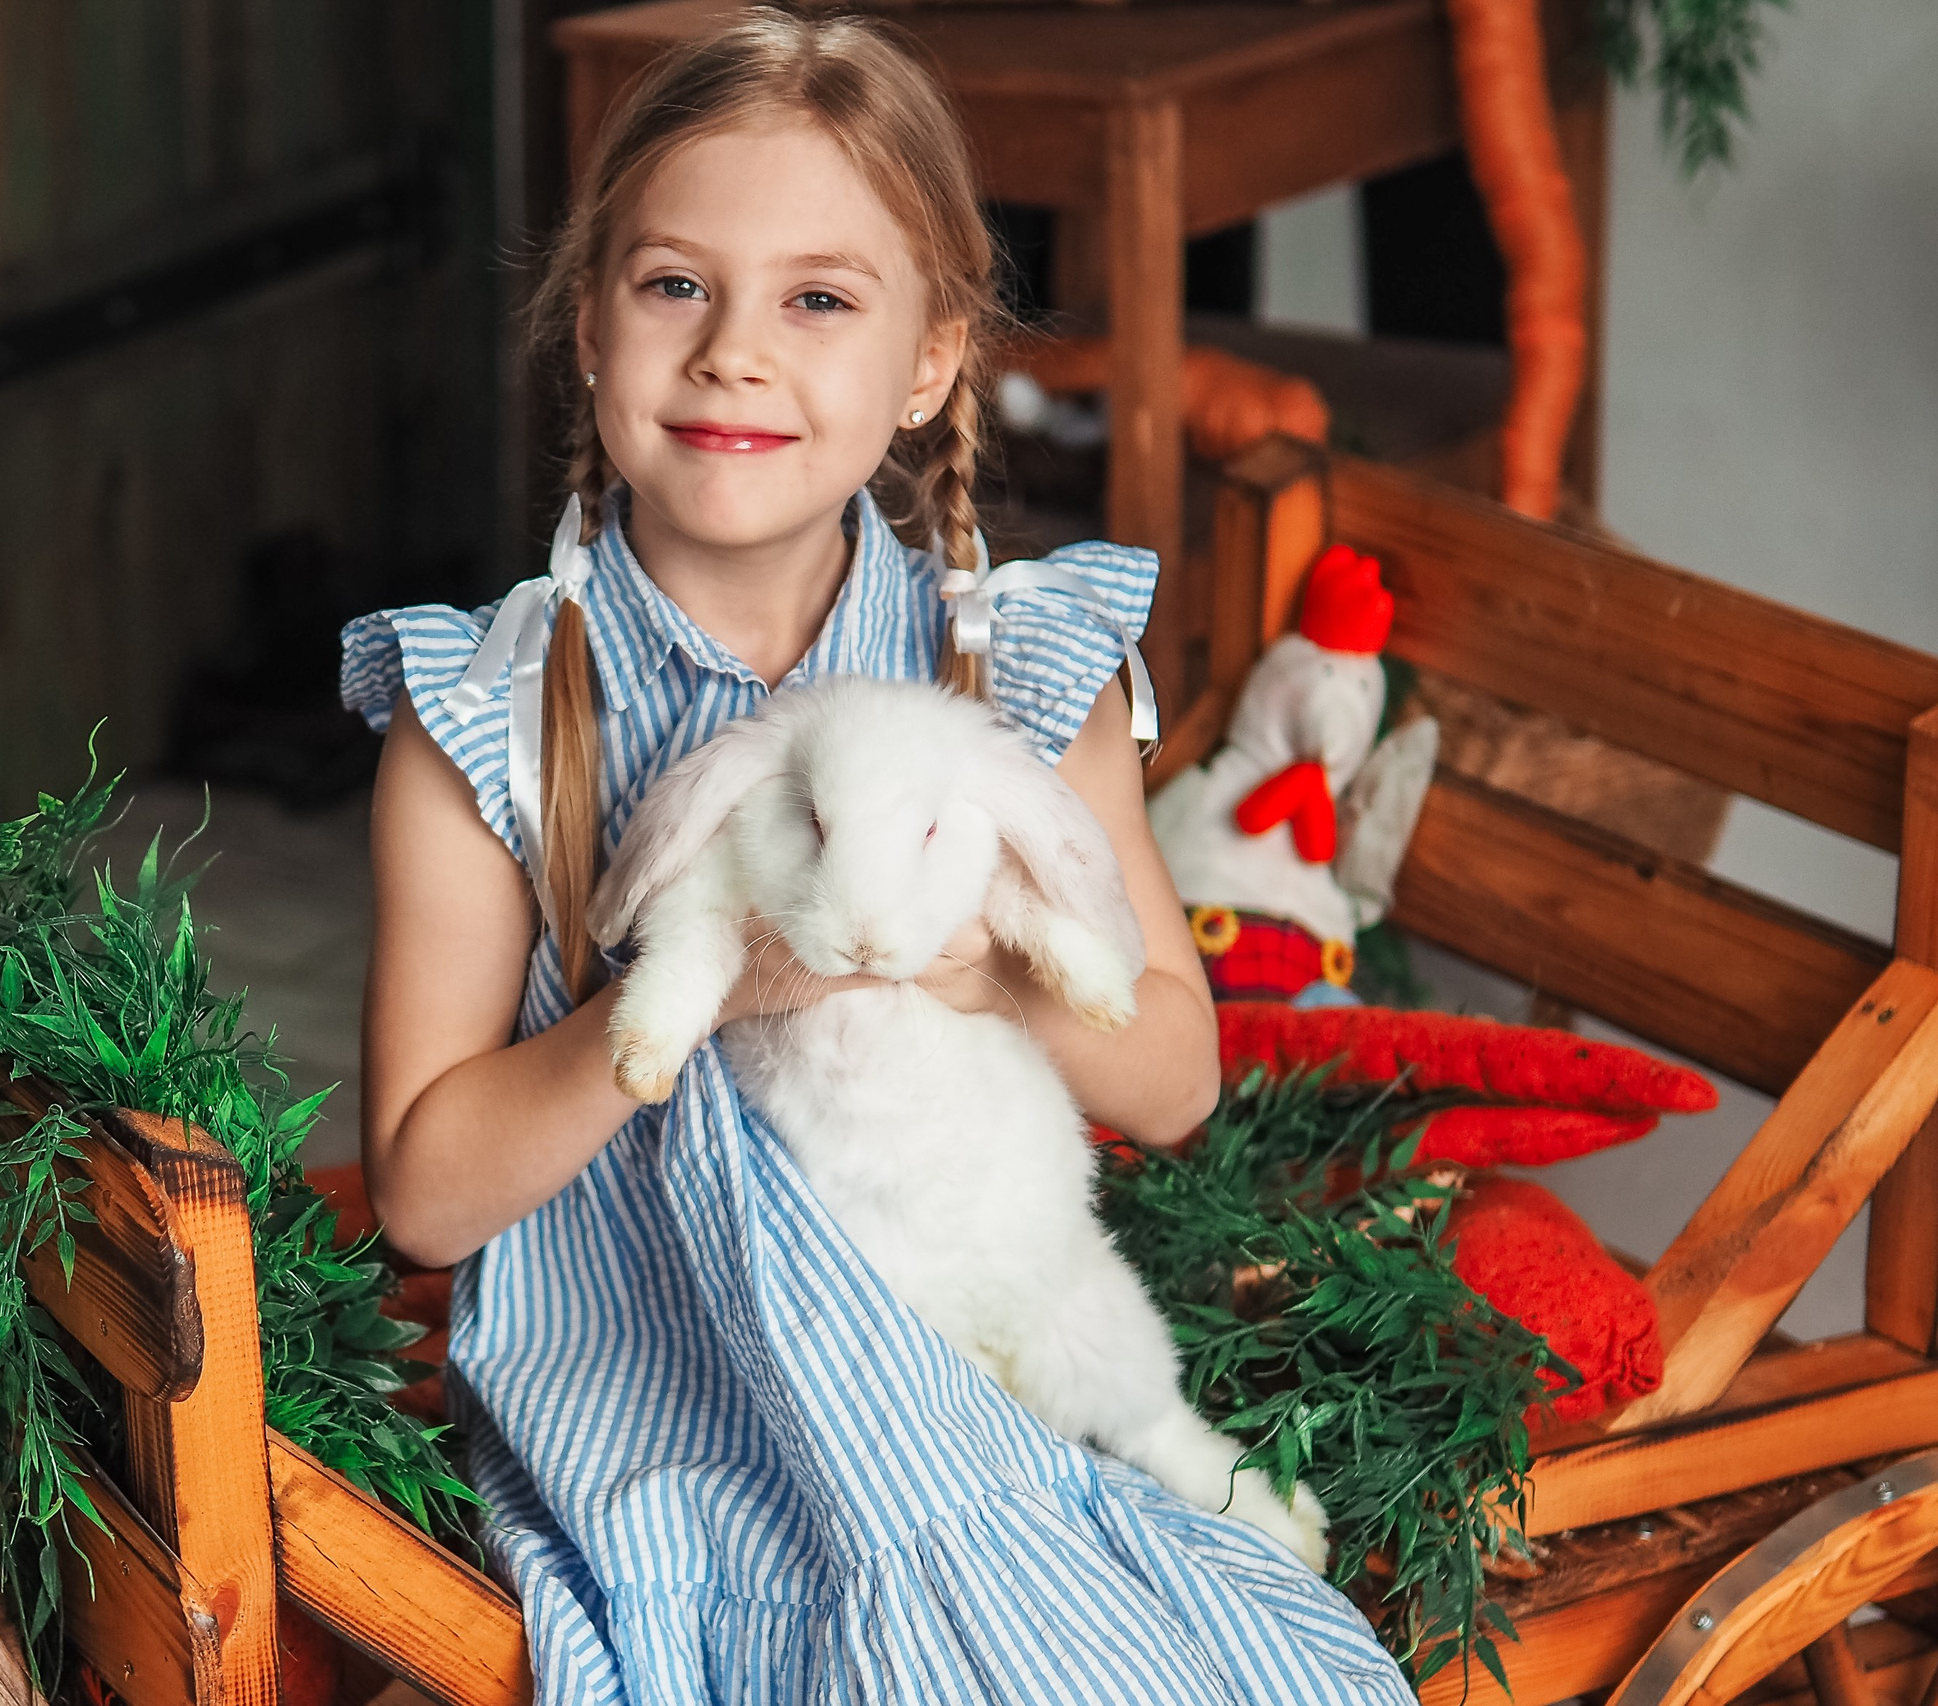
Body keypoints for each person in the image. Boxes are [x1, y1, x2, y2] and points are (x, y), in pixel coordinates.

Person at [341, 15, 1410, 1701]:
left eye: (820, 299)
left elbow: (1175, 1077)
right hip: (657, 1405)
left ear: (930, 359)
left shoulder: (1014, 679)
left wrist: (974, 947)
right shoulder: (488, 714)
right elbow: (423, 1184)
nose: (734, 355)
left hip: (967, 1361)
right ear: (589, 321)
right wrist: (706, 982)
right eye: (675, 285)